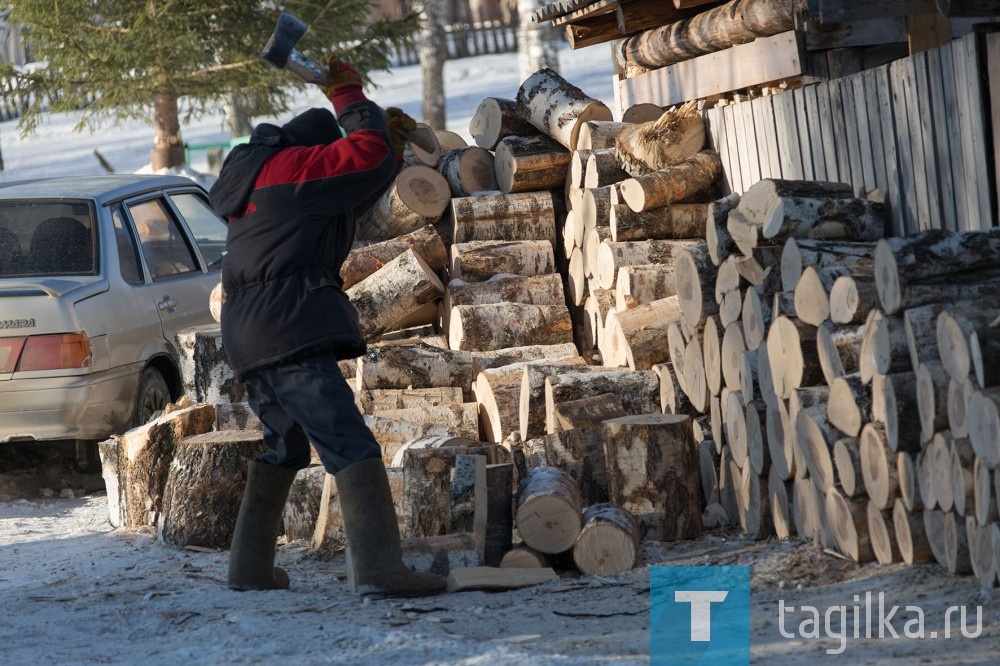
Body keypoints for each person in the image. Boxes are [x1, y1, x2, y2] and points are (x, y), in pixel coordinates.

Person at [208, 57, 445, 597]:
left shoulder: (265, 183)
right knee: (351, 444)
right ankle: (381, 572)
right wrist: (349, 96)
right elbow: (357, 159)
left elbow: (360, 182)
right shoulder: (297, 169)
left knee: (285, 445)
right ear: (314, 153)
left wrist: (393, 150)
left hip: (249, 332)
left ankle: (248, 570)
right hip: (287, 326)